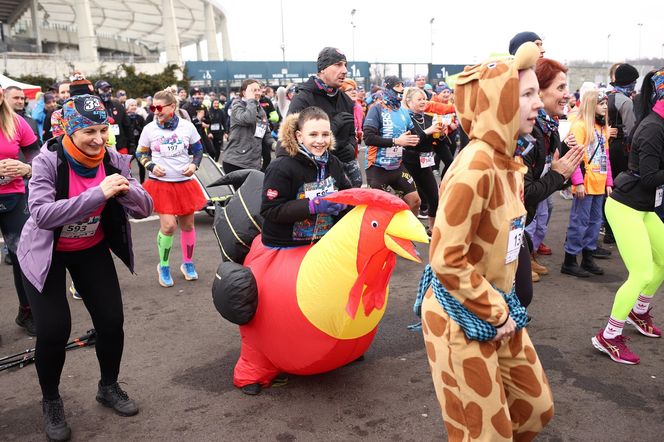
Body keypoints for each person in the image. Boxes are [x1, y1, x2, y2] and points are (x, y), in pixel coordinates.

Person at [418, 42, 553, 440]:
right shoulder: (476, 165)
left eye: (535, 92)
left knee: (534, 409)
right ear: (498, 100)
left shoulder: (508, 161)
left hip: (497, 306)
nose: (538, 104)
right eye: (526, 94)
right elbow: (446, 258)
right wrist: (495, 311)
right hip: (461, 316)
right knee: (484, 434)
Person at [17, 94, 153, 441]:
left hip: (90, 247)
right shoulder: (49, 160)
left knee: (111, 322)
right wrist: (98, 194)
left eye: (103, 129)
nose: (98, 139)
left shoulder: (112, 160)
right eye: (88, 131)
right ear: (68, 131)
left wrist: (125, 192)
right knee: (53, 329)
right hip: (45, 251)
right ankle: (51, 401)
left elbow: (144, 207)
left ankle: (108, 387)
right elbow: (42, 215)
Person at [592, 68, 664, 364]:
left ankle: (639, 310)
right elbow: (649, 178)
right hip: (625, 206)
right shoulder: (652, 128)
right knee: (642, 272)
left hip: (643, 207)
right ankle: (608, 336)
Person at [522, 58, 584, 286]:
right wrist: (559, 175)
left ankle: (528, 256)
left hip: (520, 216)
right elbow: (526, 192)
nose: (568, 94)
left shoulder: (551, 128)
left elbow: (549, 173)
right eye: (560, 87)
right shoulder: (527, 132)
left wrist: (565, 172)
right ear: (538, 91)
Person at [136, 90, 207, 287]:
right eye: (153, 108)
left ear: (172, 107)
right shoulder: (150, 129)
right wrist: (150, 166)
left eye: (159, 108)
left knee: (188, 225)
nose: (155, 111)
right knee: (168, 226)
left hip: (184, 184)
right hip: (161, 185)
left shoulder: (187, 127)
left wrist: (194, 165)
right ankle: (164, 266)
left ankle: (187, 264)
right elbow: (140, 152)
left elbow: (198, 150)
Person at [261, 106, 350, 248]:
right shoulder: (280, 167)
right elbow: (270, 210)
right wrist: (312, 206)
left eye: (325, 134)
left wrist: (345, 204)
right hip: (286, 245)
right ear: (299, 136)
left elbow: (347, 193)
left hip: (325, 242)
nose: (320, 140)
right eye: (313, 135)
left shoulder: (334, 163)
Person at [288, 47, 362, 188]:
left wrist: (351, 146)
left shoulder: (345, 99)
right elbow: (290, 140)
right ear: (322, 69)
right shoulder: (303, 98)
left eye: (345, 65)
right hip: (313, 172)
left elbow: (352, 133)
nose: (345, 70)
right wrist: (332, 127)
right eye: (338, 64)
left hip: (342, 171)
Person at [0, 85, 40, 337]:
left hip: (14, 197)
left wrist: (27, 169)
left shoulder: (16, 122)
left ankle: (27, 311)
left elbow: (36, 155)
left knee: (21, 256)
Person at [561, 87, 613, 277]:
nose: (605, 107)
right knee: (579, 222)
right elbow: (573, 156)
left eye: (605, 103)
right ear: (592, 105)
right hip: (585, 184)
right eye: (601, 103)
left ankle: (588, 258)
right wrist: (578, 182)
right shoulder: (580, 126)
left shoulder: (602, 128)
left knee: (594, 222)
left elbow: (606, 157)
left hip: (599, 184)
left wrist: (609, 182)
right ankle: (570, 260)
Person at [363, 76, 421, 214]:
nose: (402, 89)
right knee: (378, 209)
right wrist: (396, 141)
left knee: (415, 201)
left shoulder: (403, 111)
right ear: (388, 88)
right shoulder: (376, 109)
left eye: (403, 86)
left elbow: (415, 135)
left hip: (397, 166)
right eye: (398, 86)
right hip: (377, 167)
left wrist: (421, 137)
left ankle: (403, 232)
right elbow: (368, 138)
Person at [603, 63, 639, 244]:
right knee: (621, 189)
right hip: (621, 149)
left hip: (606, 146)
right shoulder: (625, 101)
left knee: (607, 188)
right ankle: (614, 231)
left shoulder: (607, 97)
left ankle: (607, 228)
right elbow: (632, 130)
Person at [401, 87, 446, 232]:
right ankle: (408, 230)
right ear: (409, 102)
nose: (423, 102)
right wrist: (428, 131)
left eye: (424, 99)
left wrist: (442, 134)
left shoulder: (429, 118)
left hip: (426, 162)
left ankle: (432, 229)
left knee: (434, 197)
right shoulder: (404, 118)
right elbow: (412, 140)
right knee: (413, 200)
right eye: (419, 99)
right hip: (408, 163)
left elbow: (437, 143)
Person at [222, 79, 275, 173]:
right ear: (244, 92)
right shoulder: (237, 106)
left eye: (259, 90)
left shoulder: (260, 110)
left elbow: (265, 133)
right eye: (253, 90)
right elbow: (248, 119)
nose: (258, 93)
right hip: (236, 163)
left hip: (253, 164)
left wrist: (275, 145)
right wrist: (251, 100)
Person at [339, 78, 364, 144]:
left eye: (355, 89)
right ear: (342, 93)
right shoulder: (339, 108)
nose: (354, 92)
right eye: (349, 90)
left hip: (355, 143)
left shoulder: (358, 107)